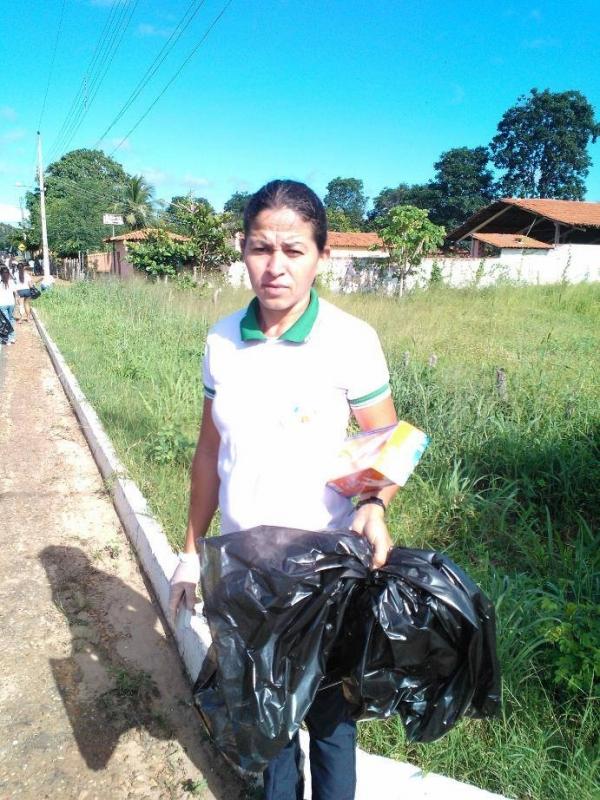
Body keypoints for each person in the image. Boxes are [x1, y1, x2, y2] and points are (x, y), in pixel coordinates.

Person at [169, 180, 399, 800]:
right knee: (264, 723)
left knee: (329, 723)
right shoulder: (222, 339)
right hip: (245, 568)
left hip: (326, 572)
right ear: (242, 250)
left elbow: (385, 441)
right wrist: (190, 551)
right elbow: (209, 453)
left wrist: (373, 503)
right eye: (260, 248)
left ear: (322, 256)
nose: (275, 267)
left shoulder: (350, 339)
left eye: (293, 250)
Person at [0, 265, 17, 344]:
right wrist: (16, 302)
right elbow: (15, 293)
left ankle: (7, 339)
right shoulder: (11, 282)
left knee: (5, 321)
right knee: (11, 319)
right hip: (11, 303)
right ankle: (12, 337)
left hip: (2, 304)